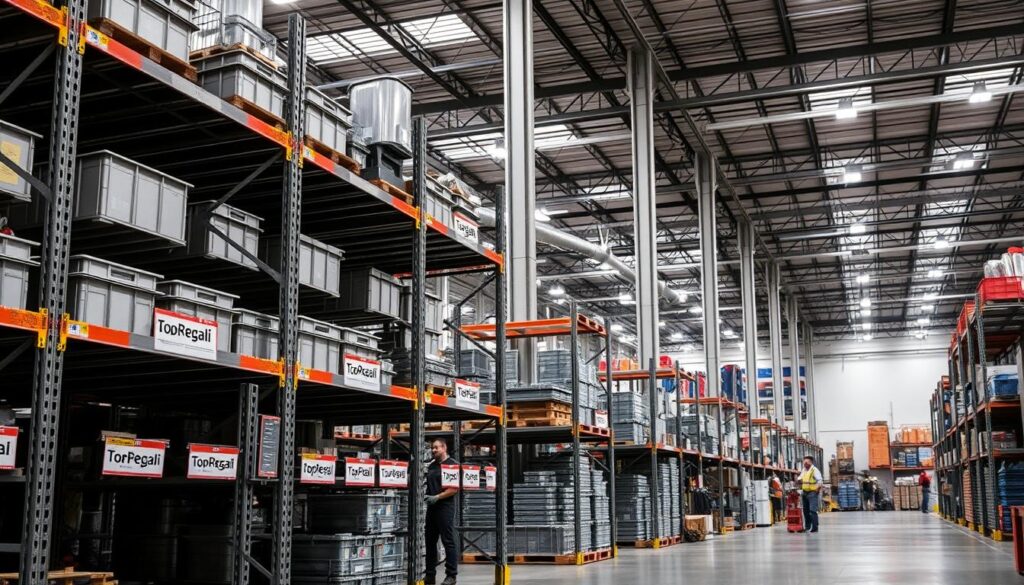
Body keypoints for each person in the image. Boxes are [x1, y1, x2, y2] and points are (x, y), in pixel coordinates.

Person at [425, 438, 459, 585]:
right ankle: (430, 575)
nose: (433, 450)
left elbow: (453, 489)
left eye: (436, 447)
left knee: (448, 541)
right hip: (431, 508)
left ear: (444, 448)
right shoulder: (432, 466)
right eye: (432, 448)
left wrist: (437, 497)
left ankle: (451, 576)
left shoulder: (452, 465)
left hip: (445, 508)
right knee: (430, 542)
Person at [799, 456, 823, 533]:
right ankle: (807, 527)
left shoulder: (814, 470)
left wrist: (816, 491)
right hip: (805, 493)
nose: (805, 463)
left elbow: (820, 481)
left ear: (811, 462)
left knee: (812, 511)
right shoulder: (804, 470)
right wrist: (798, 480)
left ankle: (815, 528)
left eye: (807, 462)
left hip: (812, 493)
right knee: (805, 511)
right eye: (804, 462)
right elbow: (800, 478)